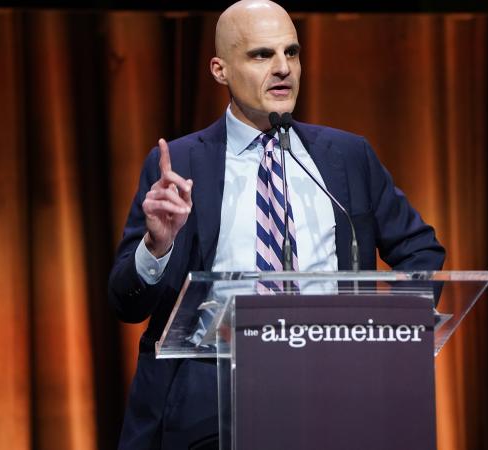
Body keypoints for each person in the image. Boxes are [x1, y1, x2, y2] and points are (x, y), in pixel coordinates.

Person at [108, 1, 446, 448]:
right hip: (208, 404)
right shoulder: (180, 163)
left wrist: (380, 338)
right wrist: (157, 247)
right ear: (220, 69)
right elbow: (126, 302)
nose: (284, 68)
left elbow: (420, 250)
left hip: (333, 394)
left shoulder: (346, 157)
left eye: (293, 52)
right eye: (261, 55)